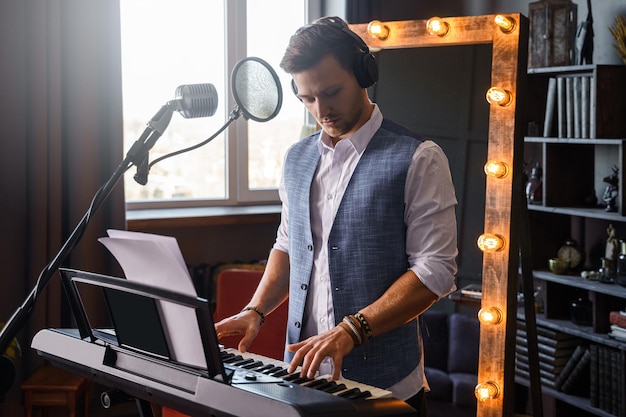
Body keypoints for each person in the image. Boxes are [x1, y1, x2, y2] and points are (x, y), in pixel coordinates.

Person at [215, 16, 458, 415]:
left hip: (387, 390)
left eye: (331, 92)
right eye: (307, 99)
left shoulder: (420, 157)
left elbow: (435, 271)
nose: (321, 109)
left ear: (363, 74)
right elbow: (288, 244)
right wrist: (254, 310)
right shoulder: (296, 158)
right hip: (300, 379)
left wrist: (352, 329)